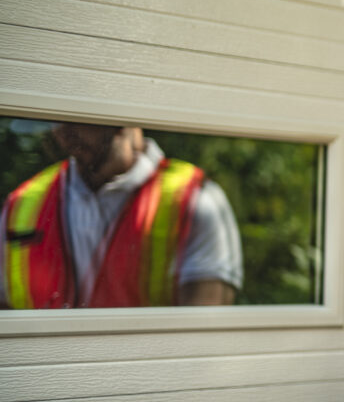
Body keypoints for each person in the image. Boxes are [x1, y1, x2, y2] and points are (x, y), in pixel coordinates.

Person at [1, 122, 243, 308]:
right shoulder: (22, 205)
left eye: (76, 114)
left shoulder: (195, 200)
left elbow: (202, 340)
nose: (60, 129)